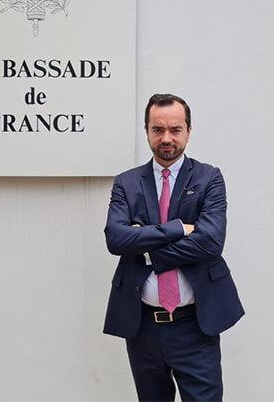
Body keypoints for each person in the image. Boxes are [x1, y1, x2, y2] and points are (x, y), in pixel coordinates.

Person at [103, 93, 244, 402]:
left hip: (195, 326)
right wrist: (178, 229)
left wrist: (146, 246)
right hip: (143, 328)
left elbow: (210, 242)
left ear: (188, 131)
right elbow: (115, 239)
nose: (166, 138)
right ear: (147, 131)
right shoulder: (126, 183)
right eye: (158, 129)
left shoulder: (209, 178)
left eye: (175, 129)